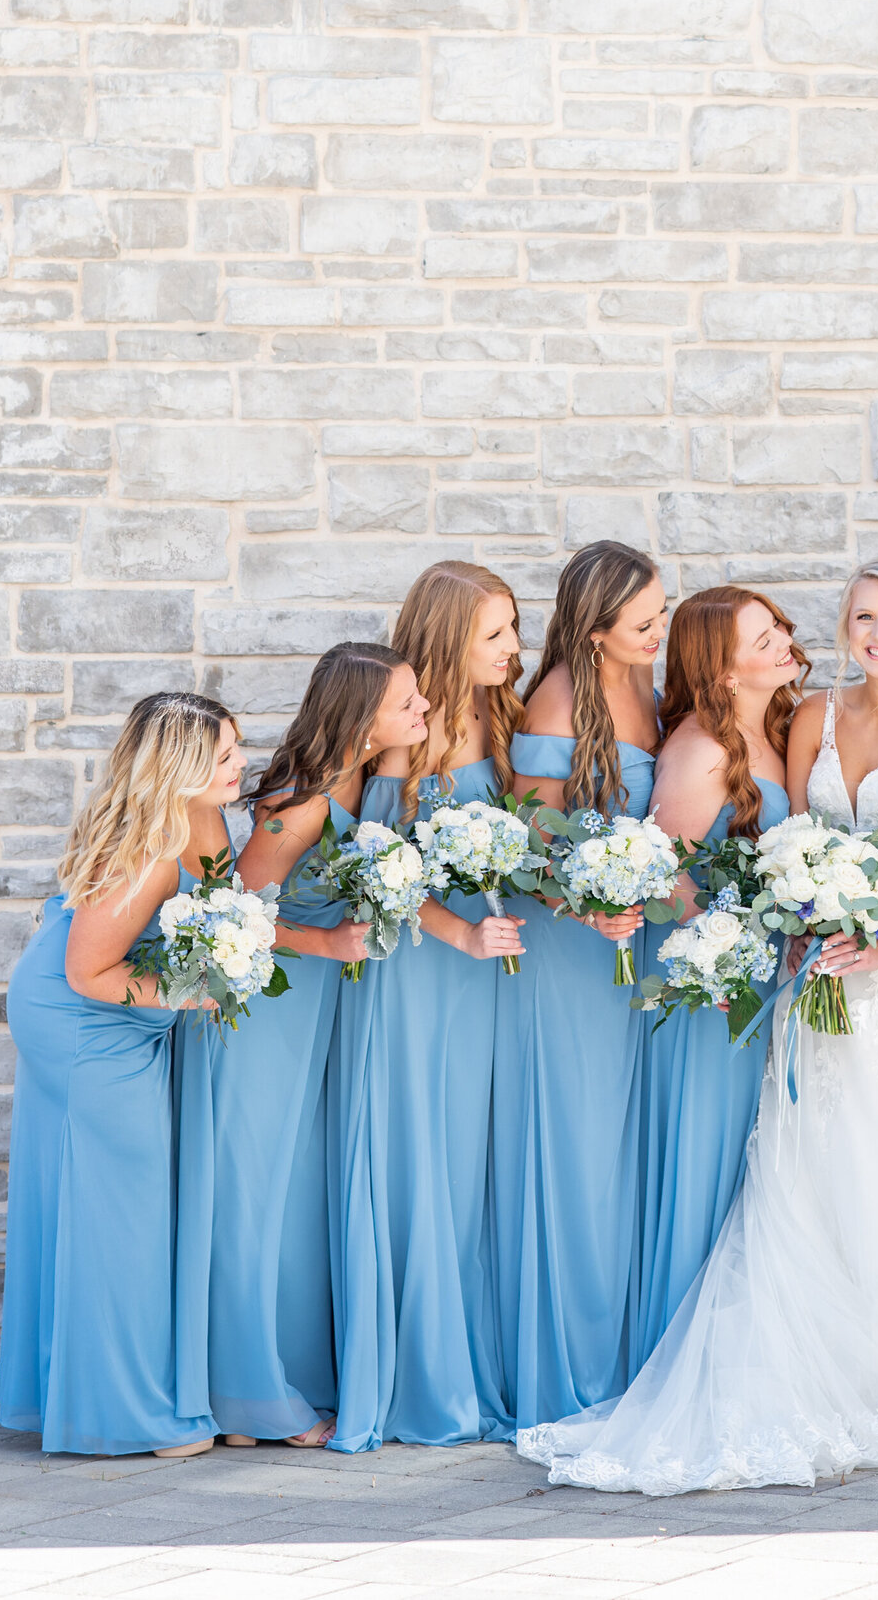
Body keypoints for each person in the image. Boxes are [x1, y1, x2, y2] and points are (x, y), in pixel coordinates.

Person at [518, 559, 878, 1492]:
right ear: (845, 624)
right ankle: (822, 1357)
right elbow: (786, 834)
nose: (877, 633)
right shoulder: (813, 717)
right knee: (811, 1149)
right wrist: (808, 914)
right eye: (862, 616)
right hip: (812, 959)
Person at [0, 693, 242, 1457]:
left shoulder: (211, 814)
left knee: (101, 1197)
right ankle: (126, 1413)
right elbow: (86, 970)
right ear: (180, 767)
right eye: (225, 755)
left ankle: (77, 1389)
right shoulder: (147, 848)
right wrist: (188, 991)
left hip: (115, 1008)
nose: (240, 765)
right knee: (122, 1203)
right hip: (79, 1019)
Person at [192, 643, 409, 1448]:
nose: (421, 714)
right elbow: (231, 914)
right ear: (362, 716)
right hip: (265, 1016)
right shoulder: (304, 802)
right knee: (253, 1192)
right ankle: (246, 1397)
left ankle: (258, 1385)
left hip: (310, 1012)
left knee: (286, 1200)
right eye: (408, 702)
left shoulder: (361, 784)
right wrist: (328, 945)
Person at [329, 573, 523, 1451]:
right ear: (449, 641)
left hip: (481, 970)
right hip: (419, 966)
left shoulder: (500, 714)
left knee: (469, 1160)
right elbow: (379, 869)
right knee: (418, 1151)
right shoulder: (409, 735)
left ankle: (469, 1357)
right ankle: (417, 1377)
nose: (513, 648)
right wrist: (460, 933)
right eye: (496, 635)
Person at [493, 541, 667, 1428]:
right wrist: (585, 904)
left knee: (624, 1146)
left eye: (661, 614)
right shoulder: (560, 694)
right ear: (595, 629)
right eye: (643, 622)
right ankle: (566, 1363)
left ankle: (624, 1348)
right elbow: (524, 840)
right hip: (571, 949)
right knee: (575, 1142)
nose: (657, 632)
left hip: (636, 945)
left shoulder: (643, 678)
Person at [632, 584, 806, 1372]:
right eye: (761, 636)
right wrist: (738, 940)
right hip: (718, 989)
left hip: (778, 975)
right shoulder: (701, 747)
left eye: (777, 628)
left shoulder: (780, 726)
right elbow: (663, 876)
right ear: (725, 672)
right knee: (712, 1155)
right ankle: (688, 1356)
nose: (782, 641)